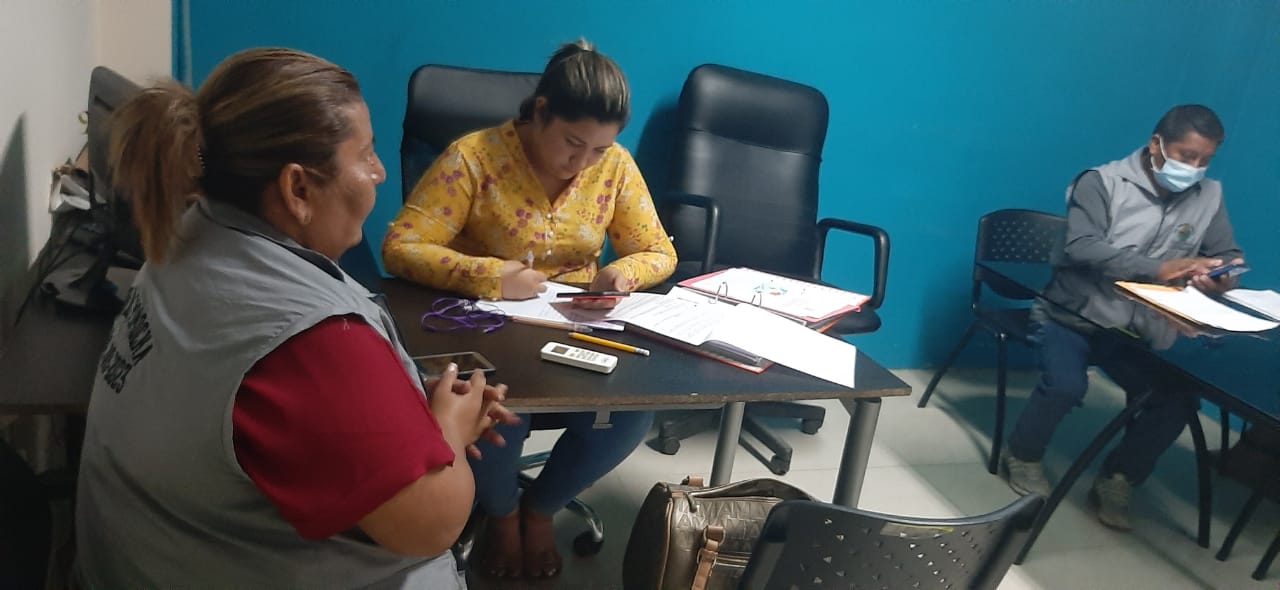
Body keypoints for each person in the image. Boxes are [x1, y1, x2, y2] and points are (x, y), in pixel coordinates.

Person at [74, 47, 519, 588]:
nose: (379, 172)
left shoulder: (187, 234)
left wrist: (394, 404)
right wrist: (449, 427)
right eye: (365, 155)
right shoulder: (308, 339)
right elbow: (431, 524)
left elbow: (284, 406)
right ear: (298, 188)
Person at [382, 39, 677, 579]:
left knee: (631, 412)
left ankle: (540, 510)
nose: (582, 163)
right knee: (500, 407)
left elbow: (659, 251)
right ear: (540, 111)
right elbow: (401, 246)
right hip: (485, 326)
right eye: (572, 143)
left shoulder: (614, 166)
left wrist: (622, 274)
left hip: (576, 324)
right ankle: (502, 513)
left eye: (598, 149)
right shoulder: (474, 158)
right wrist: (492, 275)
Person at [1003, 104, 1244, 531]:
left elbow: (1227, 253)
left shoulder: (1209, 195)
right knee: (1065, 385)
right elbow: (1081, 245)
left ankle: (1120, 476)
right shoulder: (1101, 182)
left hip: (1139, 327)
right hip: (1072, 315)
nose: (1194, 168)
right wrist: (1158, 269)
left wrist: (1221, 275)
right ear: (1156, 144)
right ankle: (1022, 455)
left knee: (1176, 399)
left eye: (1204, 160)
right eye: (1186, 156)